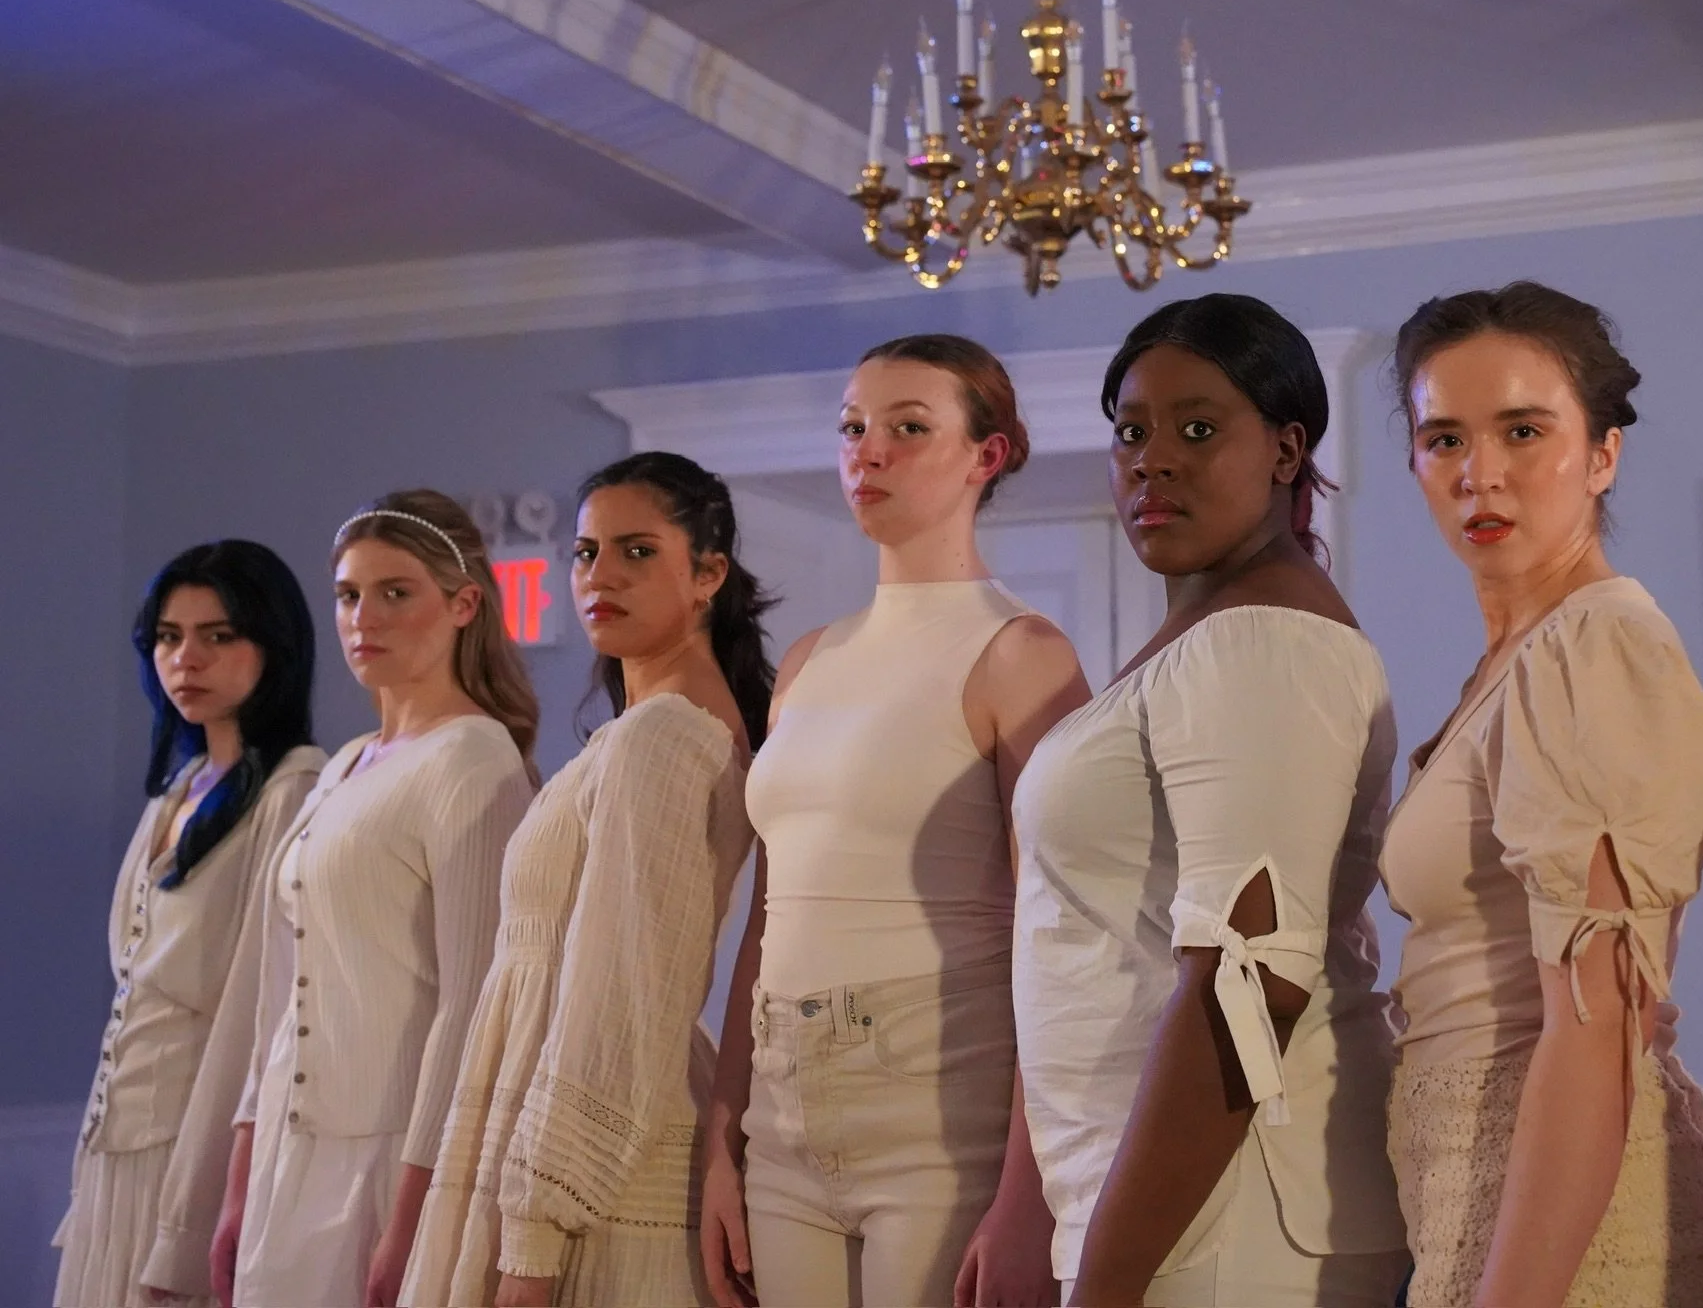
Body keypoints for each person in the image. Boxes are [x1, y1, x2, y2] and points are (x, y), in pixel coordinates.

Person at [1011, 294, 1409, 1307]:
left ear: (1285, 450)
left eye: (1197, 428)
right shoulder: (1214, 637)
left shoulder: (1262, 642)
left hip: (1228, 1217)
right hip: (1174, 1205)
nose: (1153, 458)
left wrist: (1106, 1284)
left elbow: (1249, 985)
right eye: (1130, 432)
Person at [1379, 283, 1703, 1307]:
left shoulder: (1593, 642)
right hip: (1482, 1201)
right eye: (1443, 438)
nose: (1479, 474)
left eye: (1522, 430)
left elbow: (1594, 1030)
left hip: (1570, 1236)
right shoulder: (1514, 659)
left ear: (1602, 453)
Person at [700, 335, 1090, 1308]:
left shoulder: (1020, 653)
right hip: (783, 1112)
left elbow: (1068, 933)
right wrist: (724, 1130)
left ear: (984, 456)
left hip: (939, 1109)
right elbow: (769, 912)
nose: (867, 452)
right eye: (852, 428)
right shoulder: (808, 662)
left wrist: (1028, 1190)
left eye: (908, 429)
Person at [402, 454, 768, 1306]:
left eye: (637, 551)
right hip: (554, 1146)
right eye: (585, 552)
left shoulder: (665, 740)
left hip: (593, 1182)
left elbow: (622, 998)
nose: (600, 575)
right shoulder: (640, 734)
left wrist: (533, 1244)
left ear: (708, 573)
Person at [216, 492, 538, 1308]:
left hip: (388, 1157)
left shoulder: (474, 760)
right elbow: (277, 994)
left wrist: (418, 1211)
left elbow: (471, 1007)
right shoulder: (347, 762)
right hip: (287, 1158)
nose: (366, 617)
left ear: (464, 604)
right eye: (350, 594)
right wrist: (236, 1188)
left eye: (397, 592)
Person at [53, 541, 326, 1308]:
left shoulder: (293, 789)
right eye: (169, 637)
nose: (187, 658)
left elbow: (254, 1015)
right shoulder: (177, 789)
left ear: (271, 645)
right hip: (115, 1147)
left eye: (218, 635)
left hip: (192, 1153)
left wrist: (193, 1214)